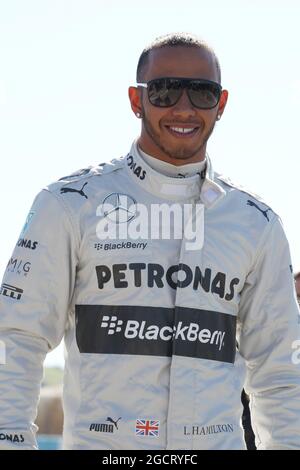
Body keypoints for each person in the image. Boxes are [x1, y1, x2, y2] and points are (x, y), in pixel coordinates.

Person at [0, 32, 300, 451]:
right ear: (136, 100)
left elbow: (280, 370)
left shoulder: (257, 223)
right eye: (163, 91)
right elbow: (16, 339)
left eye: (202, 93)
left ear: (222, 104)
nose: (183, 107)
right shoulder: (69, 206)